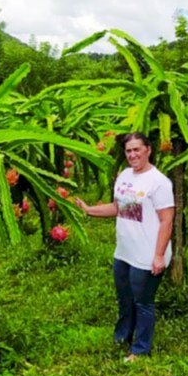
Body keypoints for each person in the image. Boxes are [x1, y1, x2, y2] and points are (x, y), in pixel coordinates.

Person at [75, 133, 174, 362]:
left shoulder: (158, 182)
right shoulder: (124, 176)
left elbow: (167, 220)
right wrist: (89, 210)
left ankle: (140, 350)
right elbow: (119, 208)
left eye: (137, 149)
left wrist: (159, 256)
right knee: (125, 299)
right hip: (124, 252)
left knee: (143, 302)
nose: (132, 155)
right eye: (128, 151)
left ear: (148, 150)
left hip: (147, 254)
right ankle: (122, 337)